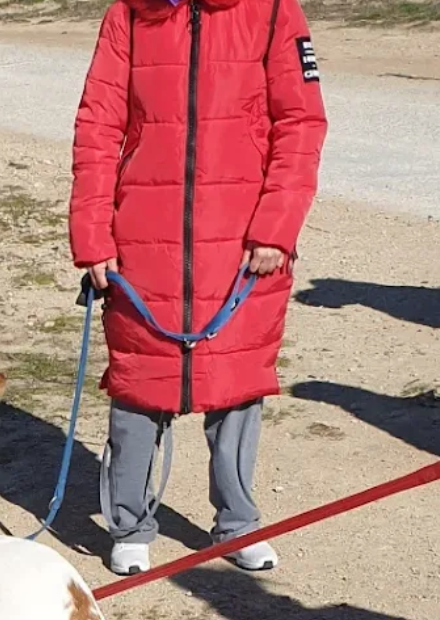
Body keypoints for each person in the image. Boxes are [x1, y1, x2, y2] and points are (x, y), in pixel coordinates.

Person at [70, 0, 327, 575]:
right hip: (141, 241)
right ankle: (130, 524)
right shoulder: (130, 15)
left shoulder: (272, 12)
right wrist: (93, 233)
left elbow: (301, 124)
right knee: (139, 383)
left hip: (239, 245)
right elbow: (98, 122)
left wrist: (276, 229)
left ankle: (236, 523)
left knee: (236, 380)